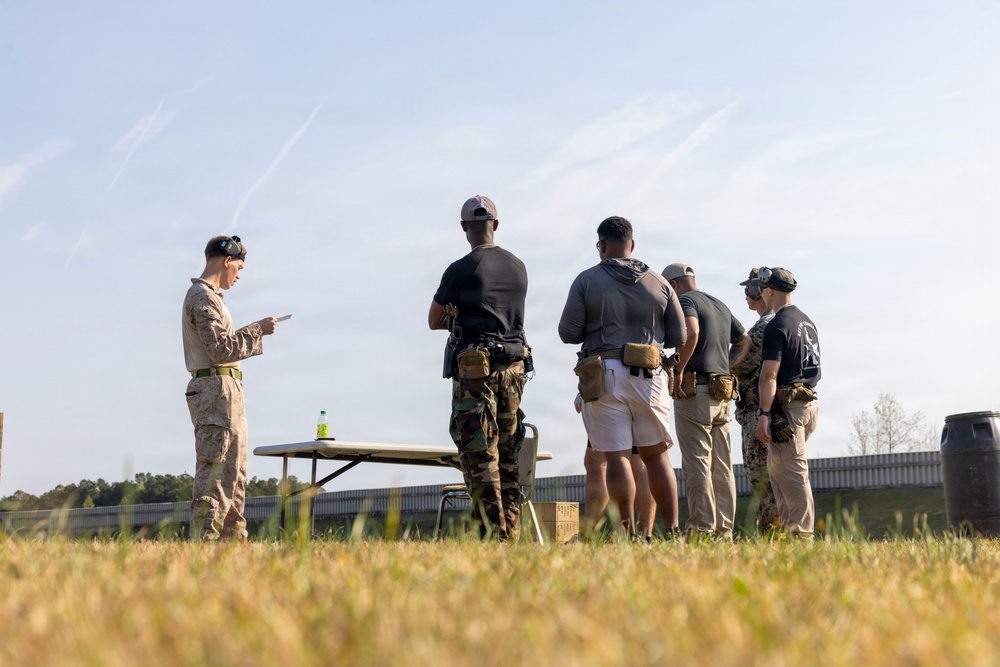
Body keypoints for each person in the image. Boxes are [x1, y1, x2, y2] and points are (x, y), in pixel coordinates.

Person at [558, 215, 686, 536]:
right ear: (632, 245)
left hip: (605, 373)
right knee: (657, 456)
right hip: (651, 372)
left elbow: (567, 333)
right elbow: (680, 336)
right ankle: (671, 531)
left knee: (616, 458)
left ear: (602, 245)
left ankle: (628, 535)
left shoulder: (586, 280)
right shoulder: (660, 282)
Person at [428, 195, 530, 540]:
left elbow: (433, 320)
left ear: (464, 229)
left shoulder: (460, 269)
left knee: (479, 454)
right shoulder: (518, 266)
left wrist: (460, 317)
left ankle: (491, 535)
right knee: (508, 455)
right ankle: (511, 533)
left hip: (477, 373)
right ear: (496, 225)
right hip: (514, 370)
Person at [182, 235, 278, 541]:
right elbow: (220, 349)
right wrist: (257, 330)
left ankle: (232, 547)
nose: (238, 276)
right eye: (238, 268)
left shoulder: (213, 298)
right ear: (226, 261)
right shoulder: (202, 296)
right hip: (214, 390)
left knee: (234, 475)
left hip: (225, 389)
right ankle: (206, 545)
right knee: (215, 472)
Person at [662, 263, 750, 540]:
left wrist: (677, 370)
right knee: (722, 465)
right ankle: (723, 531)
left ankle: (701, 529)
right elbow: (744, 340)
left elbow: (692, 331)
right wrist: (729, 365)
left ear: (674, 286)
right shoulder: (719, 304)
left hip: (695, 390)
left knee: (697, 464)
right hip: (722, 391)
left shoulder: (686, 301)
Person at [755, 266, 821, 538]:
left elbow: (769, 374)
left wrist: (763, 413)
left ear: (769, 290)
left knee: (793, 475)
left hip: (787, 409)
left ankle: (801, 538)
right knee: (782, 473)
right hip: (809, 402)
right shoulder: (806, 320)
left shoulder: (776, 326)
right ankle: (789, 534)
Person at [730, 268, 778, 534]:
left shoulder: (763, 326)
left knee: (762, 479)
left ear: (756, 290)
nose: (745, 296)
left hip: (755, 410)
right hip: (760, 409)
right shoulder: (769, 322)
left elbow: (739, 364)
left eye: (747, 289)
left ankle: (773, 535)